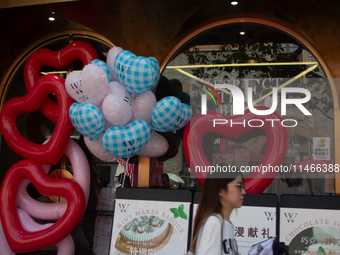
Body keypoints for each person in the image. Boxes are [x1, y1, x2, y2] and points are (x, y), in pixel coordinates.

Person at [191, 171, 246, 255]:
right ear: (221, 191)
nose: (243, 192)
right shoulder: (214, 223)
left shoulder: (226, 224)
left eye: (243, 186)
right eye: (238, 186)